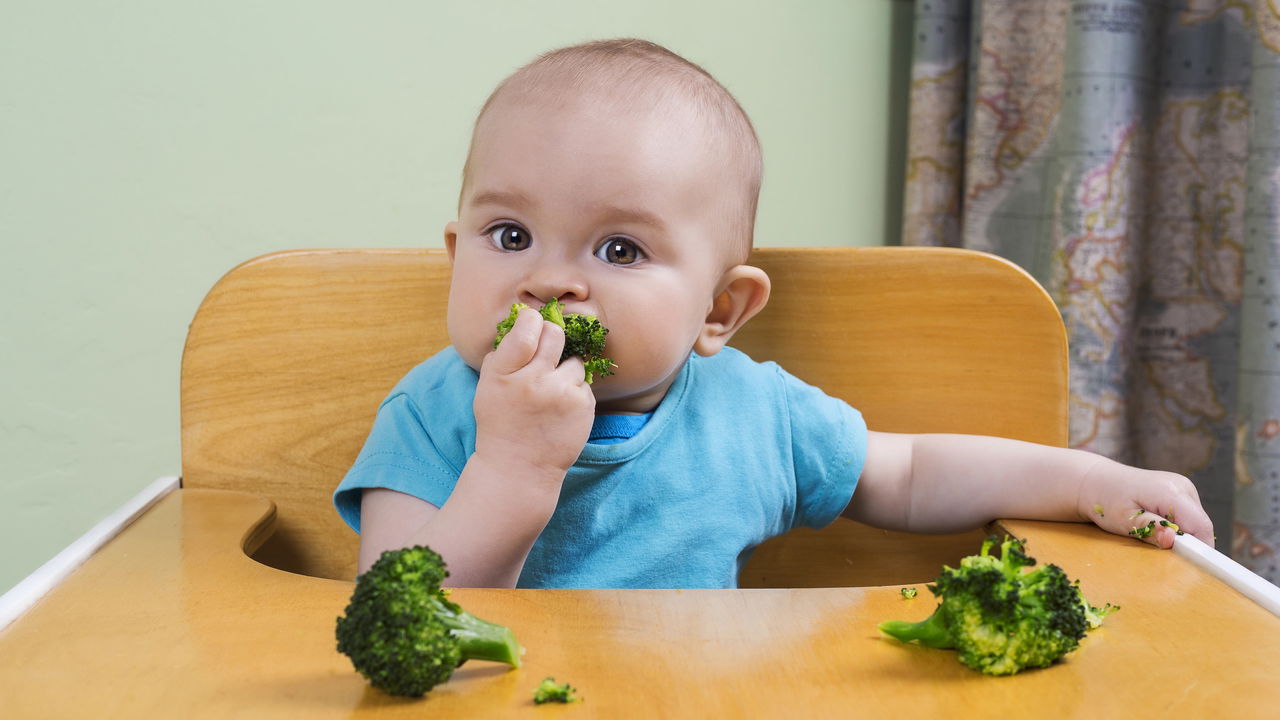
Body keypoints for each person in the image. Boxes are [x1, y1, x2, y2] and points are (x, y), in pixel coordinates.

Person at [333, 38, 1212, 587]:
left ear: (719, 311)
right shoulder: (434, 412)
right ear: (457, 257)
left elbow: (907, 475)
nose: (550, 282)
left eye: (620, 250)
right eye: (511, 233)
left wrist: (1087, 482)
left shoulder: (751, 415)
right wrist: (513, 468)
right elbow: (399, 626)